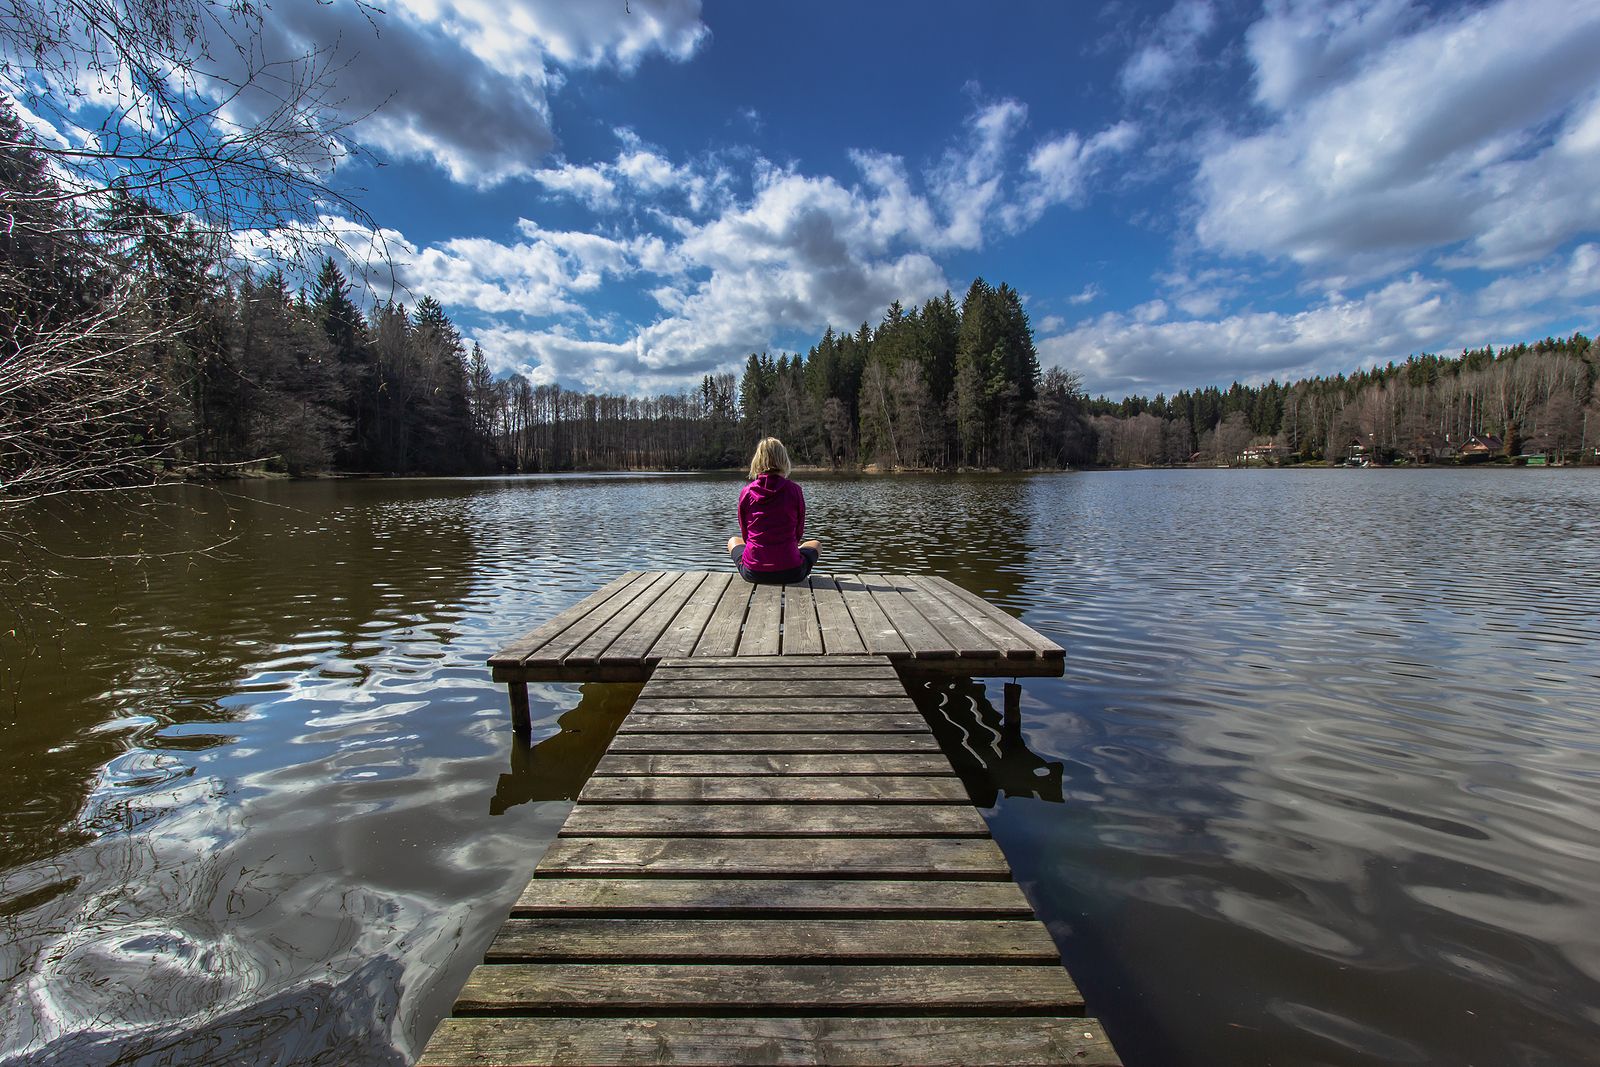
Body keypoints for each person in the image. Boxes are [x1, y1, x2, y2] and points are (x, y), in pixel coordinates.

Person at [727, 437, 821, 585]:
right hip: (792, 571)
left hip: (754, 572)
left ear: (757, 460)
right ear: (783, 459)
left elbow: (745, 535)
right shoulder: (795, 490)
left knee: (733, 541)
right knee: (815, 544)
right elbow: (798, 533)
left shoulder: (746, 492)